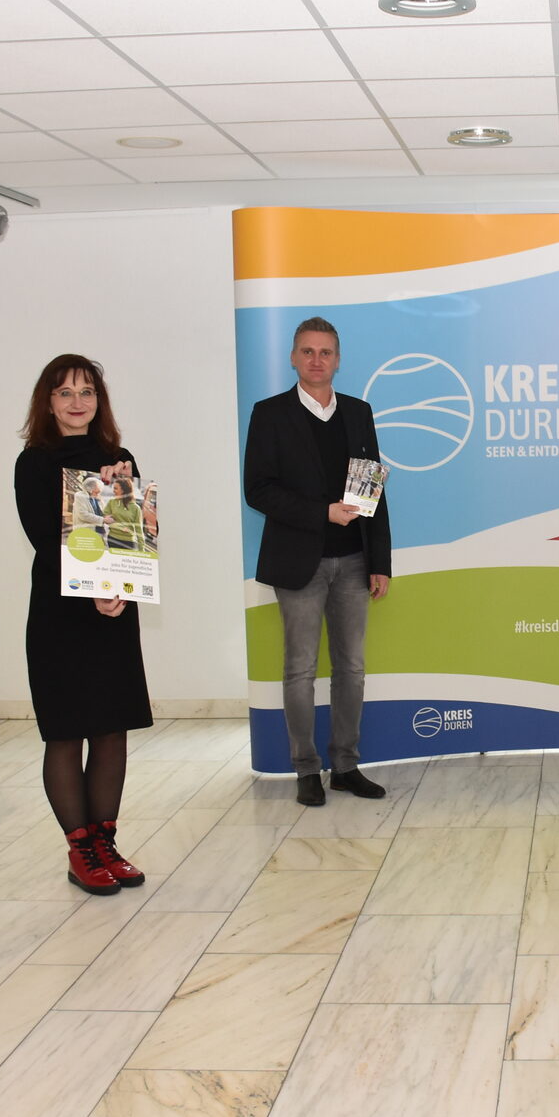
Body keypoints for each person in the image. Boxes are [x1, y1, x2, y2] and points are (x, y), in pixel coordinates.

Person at [14, 354, 151, 895]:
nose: (77, 402)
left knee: (112, 729)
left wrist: (120, 491)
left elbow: (131, 534)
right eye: (65, 392)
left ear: (99, 401)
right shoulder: (33, 462)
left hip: (113, 609)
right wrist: (91, 589)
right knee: (67, 733)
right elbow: (44, 540)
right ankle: (81, 850)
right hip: (60, 615)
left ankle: (106, 844)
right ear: (48, 402)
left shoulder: (120, 459)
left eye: (87, 392)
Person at [244, 317, 393, 808]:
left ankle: (345, 765)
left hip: (354, 561)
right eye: (307, 351)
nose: (316, 360)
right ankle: (306, 768)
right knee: (300, 670)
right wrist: (320, 512)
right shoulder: (269, 414)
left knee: (352, 668)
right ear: (293, 358)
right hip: (298, 564)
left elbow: (373, 489)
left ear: (337, 359)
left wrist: (380, 561)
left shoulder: (358, 412)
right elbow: (257, 490)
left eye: (325, 352)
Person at [103, 475, 143, 551]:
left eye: (116, 488)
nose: (113, 491)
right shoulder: (112, 502)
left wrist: (142, 549)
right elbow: (106, 519)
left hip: (129, 542)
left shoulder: (135, 508)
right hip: (113, 539)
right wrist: (120, 527)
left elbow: (139, 529)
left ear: (123, 490)